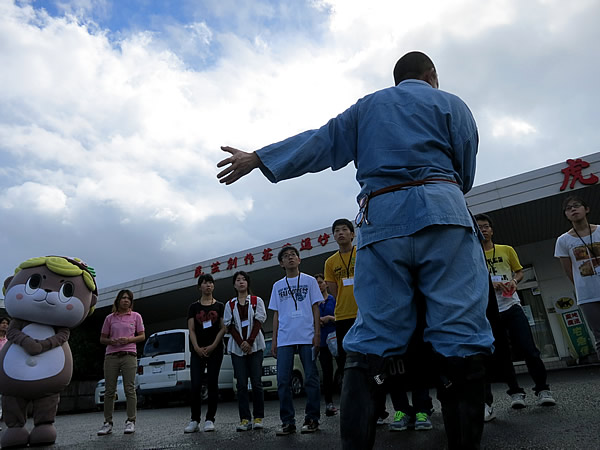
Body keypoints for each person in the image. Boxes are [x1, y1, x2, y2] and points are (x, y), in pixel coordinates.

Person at [218, 51, 494, 449]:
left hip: (383, 219)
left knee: (373, 337)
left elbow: (321, 141)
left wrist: (260, 158)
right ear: (431, 75)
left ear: (397, 78)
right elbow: (465, 171)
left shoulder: (369, 107)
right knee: (460, 334)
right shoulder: (452, 103)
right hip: (445, 214)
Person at [475, 213, 556, 414]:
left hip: (512, 305)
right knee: (501, 354)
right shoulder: (472, 254)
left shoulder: (506, 249)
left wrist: (515, 281)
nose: (483, 230)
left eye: (486, 226)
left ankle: (543, 390)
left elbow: (519, 271)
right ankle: (515, 392)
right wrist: (489, 285)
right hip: (489, 310)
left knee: (529, 348)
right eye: (479, 227)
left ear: (492, 230)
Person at [269, 246, 321, 436]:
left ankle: (312, 418)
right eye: (285, 257)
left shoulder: (309, 281)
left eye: (293, 255)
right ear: (281, 264)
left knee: (311, 378)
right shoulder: (277, 286)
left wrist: (317, 333)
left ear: (299, 260)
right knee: (283, 381)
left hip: (307, 335)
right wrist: (274, 340)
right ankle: (288, 422)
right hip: (284, 338)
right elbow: (276, 314)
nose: (290, 258)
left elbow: (316, 308)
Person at [555, 195, 600, 359]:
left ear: (586, 209)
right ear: (566, 215)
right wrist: (582, 287)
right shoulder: (563, 240)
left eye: (577, 205)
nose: (573, 209)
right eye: (569, 208)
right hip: (587, 296)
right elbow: (568, 270)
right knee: (599, 337)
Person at [223, 271, 267, 431]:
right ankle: (244, 419)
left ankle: (258, 417)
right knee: (241, 384)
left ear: (248, 283)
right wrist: (241, 343)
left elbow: (259, 320)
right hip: (237, 348)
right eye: (238, 280)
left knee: (256, 383)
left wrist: (249, 342)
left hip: (255, 346)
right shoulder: (230, 304)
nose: (241, 282)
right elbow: (229, 325)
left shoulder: (256, 301)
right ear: (234, 284)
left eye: (243, 280)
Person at [97, 290, 145, 436]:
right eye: (123, 298)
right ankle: (107, 423)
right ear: (118, 300)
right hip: (111, 355)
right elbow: (102, 338)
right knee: (109, 390)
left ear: (131, 302)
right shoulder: (110, 318)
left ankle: (131, 421)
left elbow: (142, 336)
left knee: (129, 388)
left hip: (129, 354)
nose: (125, 300)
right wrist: (110, 341)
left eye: (128, 298)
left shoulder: (136, 316)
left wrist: (128, 340)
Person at [184, 274, 227, 433]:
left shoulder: (220, 306)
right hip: (197, 351)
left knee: (212, 383)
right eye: (204, 283)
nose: (208, 285)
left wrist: (213, 345)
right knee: (195, 385)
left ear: (213, 286)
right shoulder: (193, 307)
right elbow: (191, 329)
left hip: (215, 350)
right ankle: (194, 420)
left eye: (210, 282)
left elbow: (223, 328)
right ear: (199, 287)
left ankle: (210, 419)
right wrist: (196, 347)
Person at [324, 219, 358, 375]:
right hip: (343, 315)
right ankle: (353, 394)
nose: (340, 233)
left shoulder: (361, 253)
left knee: (369, 354)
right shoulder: (330, 262)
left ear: (352, 234)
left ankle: (374, 390)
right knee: (347, 358)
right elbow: (333, 290)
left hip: (364, 313)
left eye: (344, 229)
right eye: (337, 231)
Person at [315, 273, 338, 416]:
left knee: (343, 368)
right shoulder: (314, 303)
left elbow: (340, 317)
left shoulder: (333, 299)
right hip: (322, 342)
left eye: (320, 282)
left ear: (326, 284)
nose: (319, 285)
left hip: (335, 338)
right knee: (327, 373)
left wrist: (329, 318)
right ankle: (329, 404)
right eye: (316, 283)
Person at [0, 316, 9, 427]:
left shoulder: (10, 340)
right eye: (2, 323)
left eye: (6, 323)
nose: (4, 325)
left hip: (5, 369)